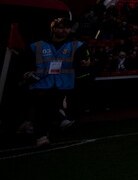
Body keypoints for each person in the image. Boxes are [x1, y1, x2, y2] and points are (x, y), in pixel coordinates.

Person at [25, 18, 90, 146]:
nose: (64, 30)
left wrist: (84, 62)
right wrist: (26, 71)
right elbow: (26, 61)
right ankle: (41, 135)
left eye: (66, 28)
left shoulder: (76, 45)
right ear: (53, 29)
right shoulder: (37, 45)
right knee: (42, 108)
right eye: (60, 27)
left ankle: (43, 129)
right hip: (41, 82)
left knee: (51, 107)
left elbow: (82, 57)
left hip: (62, 83)